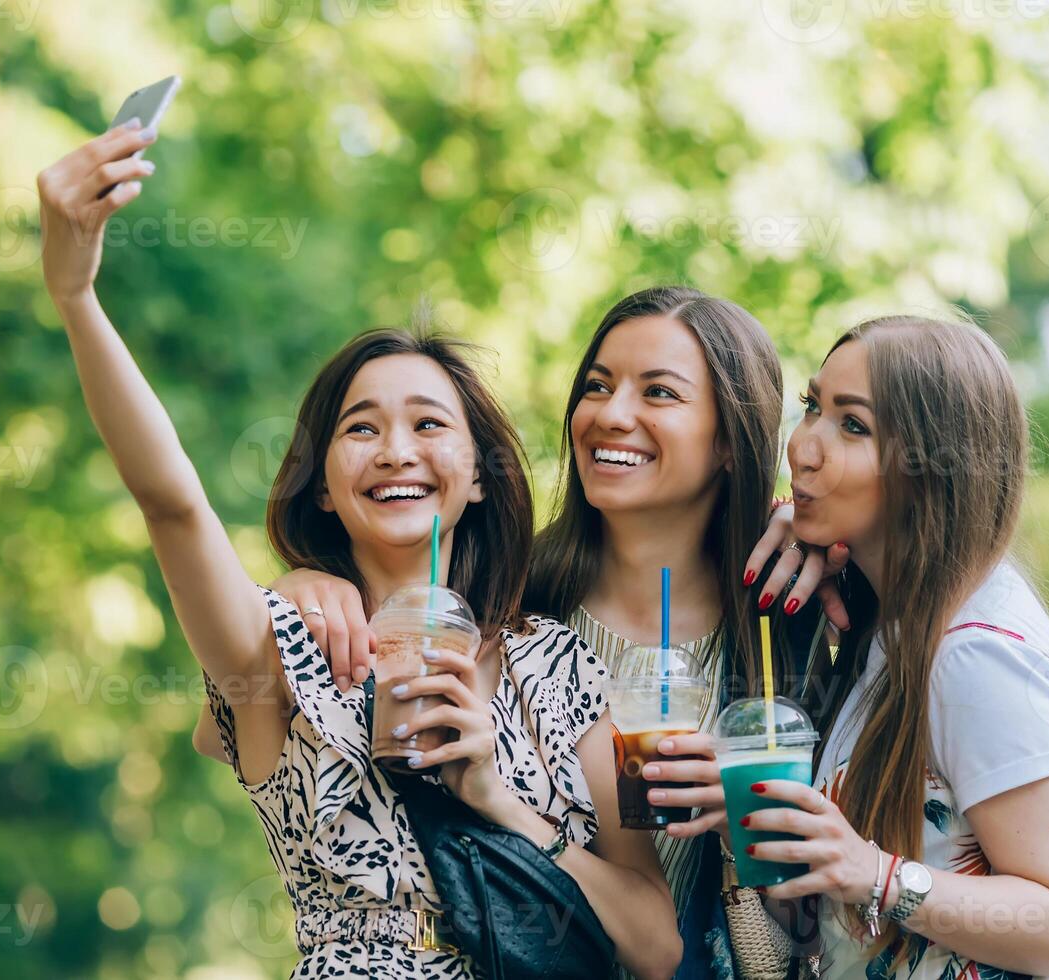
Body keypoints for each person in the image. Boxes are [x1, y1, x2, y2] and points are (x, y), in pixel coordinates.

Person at [36, 122, 681, 979]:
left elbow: (658, 944)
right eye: (360, 427)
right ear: (324, 485)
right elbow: (172, 503)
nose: (395, 450)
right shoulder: (280, 650)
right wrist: (76, 295)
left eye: (428, 424)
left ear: (478, 477)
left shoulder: (554, 664)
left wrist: (492, 795)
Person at [230, 285, 844, 977]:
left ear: (732, 438)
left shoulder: (790, 613)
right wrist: (306, 583)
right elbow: (258, 710)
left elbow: (828, 915)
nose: (611, 415)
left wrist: (742, 818)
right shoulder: (512, 609)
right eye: (598, 386)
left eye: (658, 393)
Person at [737, 316, 1049, 978]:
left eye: (853, 426)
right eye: (813, 407)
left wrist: (874, 874)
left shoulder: (972, 657)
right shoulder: (896, 621)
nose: (803, 448)